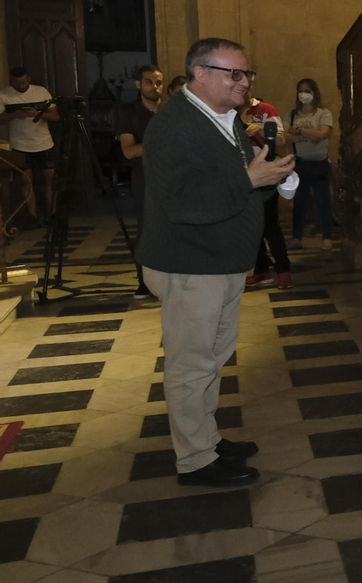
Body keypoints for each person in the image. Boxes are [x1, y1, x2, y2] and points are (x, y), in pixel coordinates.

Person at [138, 38, 296, 486]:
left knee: (212, 357)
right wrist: (250, 178)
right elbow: (183, 202)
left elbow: (238, 184)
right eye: (235, 74)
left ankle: (205, 437)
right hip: (190, 263)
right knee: (191, 364)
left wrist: (271, 178)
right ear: (200, 73)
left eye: (248, 74)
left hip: (219, 262)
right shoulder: (175, 126)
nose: (245, 82)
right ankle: (194, 460)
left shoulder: (222, 119)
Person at [117, 64, 163, 298]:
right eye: (149, 82)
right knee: (146, 231)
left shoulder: (170, 111)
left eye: (158, 82)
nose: (155, 87)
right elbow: (128, 150)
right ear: (138, 84)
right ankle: (144, 282)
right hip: (143, 180)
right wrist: (158, 146)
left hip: (171, 179)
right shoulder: (130, 114)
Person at [241, 88, 292, 289]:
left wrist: (259, 129)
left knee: (271, 224)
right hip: (242, 175)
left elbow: (281, 139)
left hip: (266, 173)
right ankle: (261, 269)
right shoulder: (229, 112)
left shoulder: (265, 109)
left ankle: (284, 271)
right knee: (249, 226)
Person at [0, 66, 59, 227]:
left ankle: (52, 214)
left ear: (29, 79)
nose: (21, 85)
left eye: (24, 82)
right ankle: (32, 216)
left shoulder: (41, 92)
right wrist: (15, 115)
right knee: (26, 180)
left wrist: (38, 114)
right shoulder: (4, 95)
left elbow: (55, 116)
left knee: (51, 177)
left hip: (44, 142)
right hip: (20, 144)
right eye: (17, 83)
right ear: (11, 81)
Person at [282, 77, 336, 250]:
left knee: (323, 202)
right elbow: (285, 137)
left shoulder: (323, 113)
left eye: (308, 91)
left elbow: (322, 134)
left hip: (319, 164)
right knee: (299, 202)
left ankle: (327, 237)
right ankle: (297, 237)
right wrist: (306, 137)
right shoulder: (291, 115)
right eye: (301, 91)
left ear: (314, 93)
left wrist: (298, 131)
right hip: (300, 164)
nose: (304, 94)